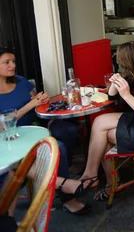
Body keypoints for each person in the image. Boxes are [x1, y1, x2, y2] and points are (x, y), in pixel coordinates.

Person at [0, 46, 91, 215]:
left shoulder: (21, 81)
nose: (12, 65)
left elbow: (39, 103)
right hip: (10, 138)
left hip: (37, 127)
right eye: (6, 62)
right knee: (59, 147)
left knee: (67, 132)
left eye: (13, 61)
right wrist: (30, 105)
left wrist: (43, 100)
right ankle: (67, 194)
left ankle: (64, 178)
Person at [78, 41, 134, 201]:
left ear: (123, 60)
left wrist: (127, 95)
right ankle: (99, 177)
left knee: (102, 133)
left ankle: (98, 178)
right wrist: (116, 81)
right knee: (100, 123)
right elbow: (111, 96)